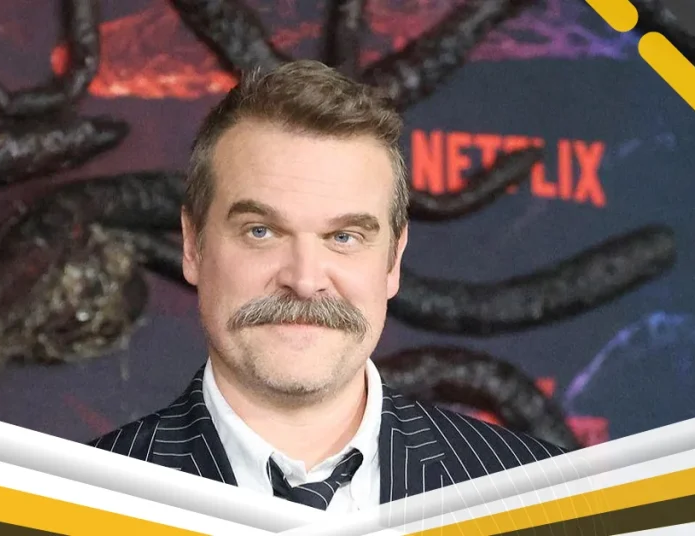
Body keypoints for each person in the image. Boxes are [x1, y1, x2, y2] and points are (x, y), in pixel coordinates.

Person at [89, 59, 567, 512]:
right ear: (193, 246)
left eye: (344, 237)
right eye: (261, 231)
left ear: (393, 260)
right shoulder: (74, 505)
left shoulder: (540, 500)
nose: (304, 280)